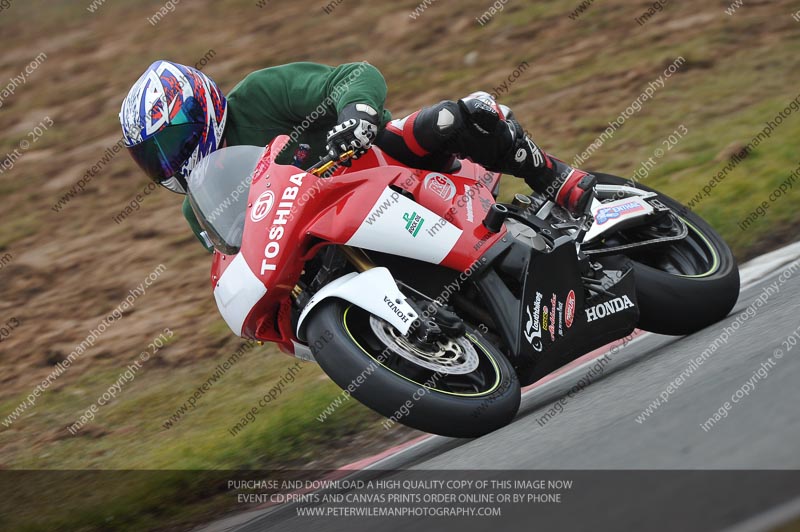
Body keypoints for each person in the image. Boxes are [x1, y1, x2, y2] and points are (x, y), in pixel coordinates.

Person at [119, 60, 596, 251]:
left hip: (383, 165)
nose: (172, 161)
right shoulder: (196, 208)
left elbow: (353, 74)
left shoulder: (260, 95)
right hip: (331, 238)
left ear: (201, 107)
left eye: (174, 140)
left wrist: (357, 115)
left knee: (455, 119)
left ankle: (559, 180)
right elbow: (236, 257)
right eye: (154, 156)